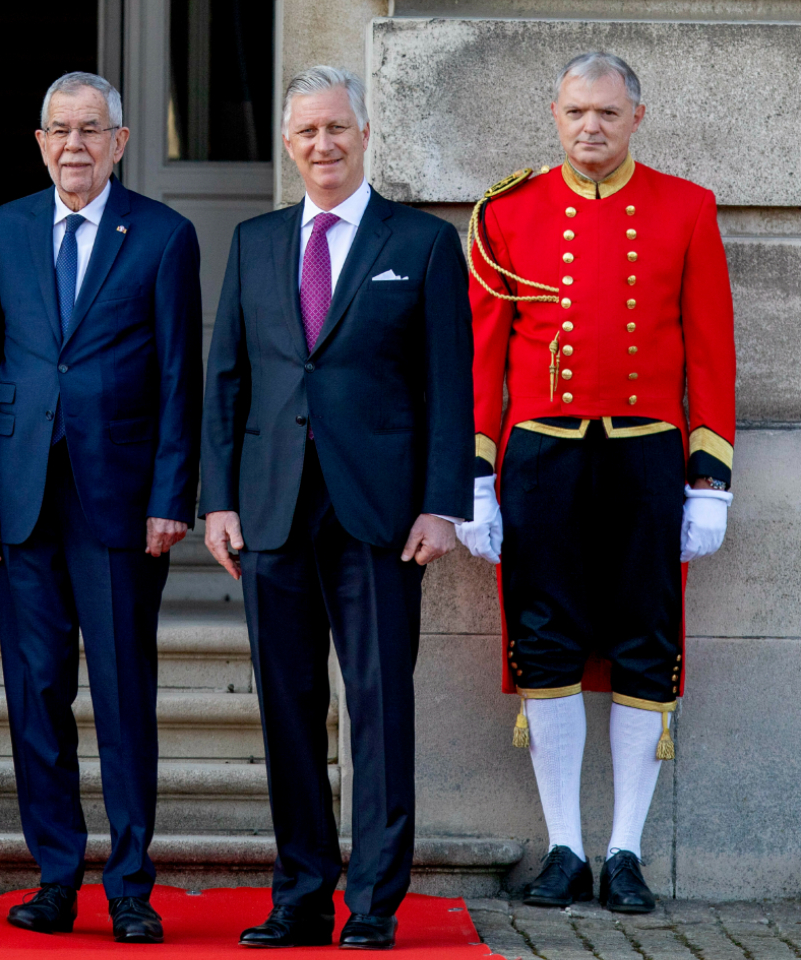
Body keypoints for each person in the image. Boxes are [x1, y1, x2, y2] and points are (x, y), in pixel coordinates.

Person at [455, 51, 736, 914]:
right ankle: (566, 848)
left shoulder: (687, 207)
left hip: (647, 458)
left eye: (608, 113)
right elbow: (484, 355)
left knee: (647, 647)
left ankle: (625, 853)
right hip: (541, 457)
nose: (591, 128)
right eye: (577, 111)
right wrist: (473, 476)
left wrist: (710, 477)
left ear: (636, 118)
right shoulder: (507, 212)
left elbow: (711, 350)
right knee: (546, 647)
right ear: (554, 112)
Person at [200, 66, 472, 950]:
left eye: (337, 128)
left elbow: (448, 387)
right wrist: (219, 502)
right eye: (307, 131)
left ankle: (374, 903)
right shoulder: (255, 240)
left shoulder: (423, 243)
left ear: (364, 134)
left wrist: (442, 504)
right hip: (272, 507)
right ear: (288, 144)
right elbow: (228, 381)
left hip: (381, 515)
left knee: (380, 706)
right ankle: (301, 894)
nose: (323, 144)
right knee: (286, 706)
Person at [0, 71, 201, 945]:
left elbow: (182, 379)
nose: (74, 144)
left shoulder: (165, 237)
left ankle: (132, 885)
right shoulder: (3, 229)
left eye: (91, 130)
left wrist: (173, 495)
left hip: (123, 503)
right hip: (23, 501)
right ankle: (57, 875)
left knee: (124, 696)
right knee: (36, 693)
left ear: (121, 142)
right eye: (60, 129)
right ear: (40, 141)